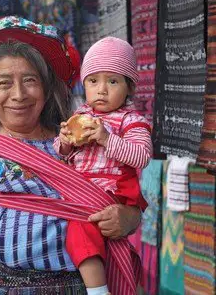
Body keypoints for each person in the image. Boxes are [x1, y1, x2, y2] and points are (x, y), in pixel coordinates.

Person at [0, 17, 142, 295]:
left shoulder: (78, 142)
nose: (19, 95)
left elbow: (114, 193)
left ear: (46, 91)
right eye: (4, 83)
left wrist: (129, 218)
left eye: (30, 81)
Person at [54, 37, 152, 294]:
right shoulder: (80, 117)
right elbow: (62, 155)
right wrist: (64, 142)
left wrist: (107, 138)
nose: (102, 90)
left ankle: (98, 290)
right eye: (93, 81)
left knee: (80, 229)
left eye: (113, 81)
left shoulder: (130, 121)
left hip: (113, 190)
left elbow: (142, 156)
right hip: (82, 190)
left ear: (129, 87)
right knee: (74, 229)